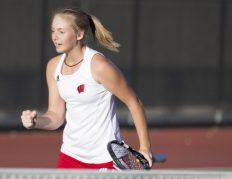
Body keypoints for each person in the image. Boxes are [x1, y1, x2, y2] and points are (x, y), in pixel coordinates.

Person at [21, 7, 152, 169]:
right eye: (53, 31)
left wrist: (145, 148)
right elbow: (55, 117)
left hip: (105, 158)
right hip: (70, 156)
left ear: (79, 34)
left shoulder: (99, 66)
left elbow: (134, 103)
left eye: (61, 32)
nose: (55, 37)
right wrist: (35, 122)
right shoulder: (53, 66)